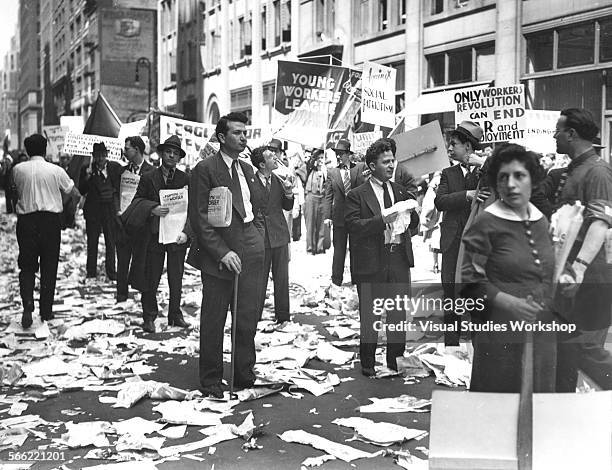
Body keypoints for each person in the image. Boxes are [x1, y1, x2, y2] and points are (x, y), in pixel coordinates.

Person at [461, 144, 556, 392]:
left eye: (519, 176)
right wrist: (510, 303)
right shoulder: (487, 222)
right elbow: (471, 281)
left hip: (537, 332)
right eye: (504, 177)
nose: (512, 184)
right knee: (500, 409)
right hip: (499, 333)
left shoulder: (541, 220)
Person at [187, 112, 266, 399]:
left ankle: (244, 374)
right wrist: (222, 252)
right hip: (218, 253)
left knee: (247, 316)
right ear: (222, 137)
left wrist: (258, 239)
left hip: (250, 246)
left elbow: (256, 209)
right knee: (214, 317)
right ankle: (211, 380)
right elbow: (200, 220)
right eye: (237, 132)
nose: (244, 137)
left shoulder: (247, 169)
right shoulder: (205, 170)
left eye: (245, 132)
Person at [345, 139, 418, 376]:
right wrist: (381, 221)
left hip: (398, 258)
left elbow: (413, 225)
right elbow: (353, 226)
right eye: (385, 162)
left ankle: (395, 359)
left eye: (392, 161)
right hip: (371, 260)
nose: (390, 165)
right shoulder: (357, 195)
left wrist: (411, 213)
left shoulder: (399, 191)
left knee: (397, 312)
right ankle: (368, 363)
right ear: (371, 165)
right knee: (370, 313)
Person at [552, 108, 612, 392]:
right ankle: (561, 417)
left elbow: (599, 223)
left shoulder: (597, 171)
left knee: (583, 346)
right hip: (568, 278)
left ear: (571, 134)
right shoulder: (572, 169)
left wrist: (578, 268)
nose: (554, 135)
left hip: (588, 278)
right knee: (564, 348)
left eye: (558, 130)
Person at [124, 135, 191, 333]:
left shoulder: (185, 178)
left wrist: (187, 233)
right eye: (168, 152)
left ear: (179, 158)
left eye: (176, 153)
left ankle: (175, 315)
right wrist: (152, 208)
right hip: (153, 235)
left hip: (176, 235)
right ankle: (149, 317)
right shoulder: (148, 177)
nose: (171, 156)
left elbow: (192, 209)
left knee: (176, 278)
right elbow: (137, 200)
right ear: (161, 154)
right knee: (150, 277)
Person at [13, 134, 80, 327]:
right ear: (45, 150)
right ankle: (46, 310)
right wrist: (65, 208)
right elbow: (72, 193)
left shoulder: (18, 170)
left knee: (26, 265)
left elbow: (13, 192)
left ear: (27, 150)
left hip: (26, 221)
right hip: (50, 221)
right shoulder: (56, 170)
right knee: (49, 265)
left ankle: (27, 303)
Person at [434, 121, 489, 345]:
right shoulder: (448, 173)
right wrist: (467, 194)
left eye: (453, 144)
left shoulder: (487, 171)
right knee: (450, 294)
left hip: (477, 245)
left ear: (467, 146)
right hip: (452, 242)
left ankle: (478, 345)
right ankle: (451, 343)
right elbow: (440, 201)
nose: (449, 149)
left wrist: (486, 164)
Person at [251, 146, 294, 324]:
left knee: (282, 278)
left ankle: (283, 316)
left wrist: (289, 192)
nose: (276, 158)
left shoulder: (278, 180)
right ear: (262, 164)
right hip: (260, 237)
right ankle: (255, 314)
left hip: (279, 236)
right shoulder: (250, 182)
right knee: (259, 280)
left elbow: (287, 206)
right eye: (270, 156)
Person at [115, 136, 155, 302]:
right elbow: (115, 192)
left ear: (137, 150)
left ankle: (140, 291)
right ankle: (121, 294)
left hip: (141, 223)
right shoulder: (121, 171)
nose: (125, 151)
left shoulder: (151, 172)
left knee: (141, 260)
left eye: (127, 148)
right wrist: (117, 210)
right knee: (122, 260)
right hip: (123, 221)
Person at [79, 142, 122, 280]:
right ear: (94, 156)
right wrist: (87, 176)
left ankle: (111, 271)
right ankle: (91, 271)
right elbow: (81, 189)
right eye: (98, 156)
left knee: (110, 241)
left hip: (109, 210)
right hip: (93, 210)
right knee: (92, 242)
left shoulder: (115, 168)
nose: (101, 158)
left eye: (103, 155)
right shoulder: (87, 169)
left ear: (107, 155)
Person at [323, 139, 357, 287]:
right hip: (339, 218)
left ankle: (357, 278)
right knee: (339, 250)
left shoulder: (359, 170)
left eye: (341, 154)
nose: (338, 157)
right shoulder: (332, 172)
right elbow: (328, 195)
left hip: (356, 217)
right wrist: (327, 216)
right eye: (337, 154)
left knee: (357, 249)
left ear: (349, 154)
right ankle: (336, 280)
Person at [303, 149, 328, 254]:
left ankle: (320, 247)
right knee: (310, 223)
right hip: (311, 197)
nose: (320, 160)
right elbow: (309, 163)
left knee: (322, 223)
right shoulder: (309, 169)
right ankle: (310, 247)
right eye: (319, 158)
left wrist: (324, 169)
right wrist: (314, 159)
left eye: (323, 158)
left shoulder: (326, 170)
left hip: (322, 197)